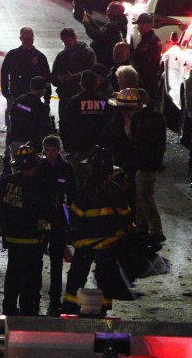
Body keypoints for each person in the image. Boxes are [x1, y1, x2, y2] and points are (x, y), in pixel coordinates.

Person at [62, 148, 134, 316]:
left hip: (86, 245)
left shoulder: (86, 193)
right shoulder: (117, 190)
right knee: (106, 279)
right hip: (110, 246)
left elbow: (74, 219)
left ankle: (70, 306)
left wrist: (70, 238)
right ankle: (103, 308)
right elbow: (126, 218)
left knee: (77, 276)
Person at [0, 142, 55, 316]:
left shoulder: (5, 183)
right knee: (31, 278)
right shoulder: (40, 186)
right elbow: (48, 213)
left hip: (12, 240)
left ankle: (9, 308)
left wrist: (2, 221)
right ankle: (28, 309)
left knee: (13, 274)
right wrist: (47, 232)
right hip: (33, 242)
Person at [101, 87, 167, 248]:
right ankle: (146, 229)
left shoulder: (150, 121)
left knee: (143, 197)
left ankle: (143, 230)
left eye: (128, 110)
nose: (126, 114)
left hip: (145, 165)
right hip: (127, 166)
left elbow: (153, 144)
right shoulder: (116, 121)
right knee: (141, 197)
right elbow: (111, 139)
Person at [39, 135, 76, 316]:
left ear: (58, 149)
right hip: (42, 217)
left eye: (53, 151)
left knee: (56, 261)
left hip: (59, 219)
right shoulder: (40, 168)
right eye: (47, 151)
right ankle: (34, 296)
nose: (50, 154)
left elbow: (73, 193)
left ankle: (55, 299)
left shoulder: (66, 169)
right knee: (36, 259)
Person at [59, 70, 110, 167]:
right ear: (96, 84)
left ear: (81, 84)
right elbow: (109, 124)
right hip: (99, 149)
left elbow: (65, 124)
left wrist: (69, 148)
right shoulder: (104, 101)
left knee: (79, 178)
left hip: (79, 149)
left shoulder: (75, 101)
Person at [5, 76, 51, 176]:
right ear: (42, 90)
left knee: (17, 174)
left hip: (16, 141)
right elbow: (44, 128)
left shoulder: (19, 101)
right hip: (31, 146)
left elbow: (11, 118)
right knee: (31, 175)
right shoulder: (41, 107)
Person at [0, 26, 51, 104]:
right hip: (15, 96)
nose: (28, 41)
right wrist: (7, 95)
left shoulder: (40, 57)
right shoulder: (12, 55)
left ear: (33, 39)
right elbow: (4, 74)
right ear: (21, 38)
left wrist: (47, 100)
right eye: (26, 39)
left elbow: (47, 78)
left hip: (34, 99)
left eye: (30, 38)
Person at [51, 27, 96, 105]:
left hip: (81, 98)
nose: (66, 44)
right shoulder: (61, 56)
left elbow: (91, 74)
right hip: (65, 97)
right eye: (64, 42)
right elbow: (53, 76)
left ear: (75, 37)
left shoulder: (87, 53)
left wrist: (72, 77)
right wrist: (59, 79)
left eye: (68, 41)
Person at [82, 1, 128, 67]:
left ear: (115, 11)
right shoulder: (120, 22)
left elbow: (96, 35)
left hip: (105, 58)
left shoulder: (114, 25)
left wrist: (87, 23)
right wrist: (91, 21)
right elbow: (102, 31)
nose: (107, 12)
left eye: (109, 10)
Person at [130, 13, 162, 101]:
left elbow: (140, 59)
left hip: (147, 79)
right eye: (138, 24)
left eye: (141, 24)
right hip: (148, 77)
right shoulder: (149, 39)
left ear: (149, 26)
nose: (138, 27)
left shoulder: (149, 41)